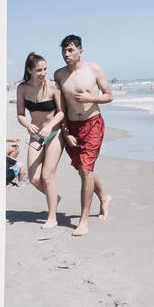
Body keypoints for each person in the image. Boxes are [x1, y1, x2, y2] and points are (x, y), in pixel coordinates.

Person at [54, 34, 113, 236]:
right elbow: (60, 106)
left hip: (93, 123)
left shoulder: (93, 69)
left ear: (80, 51)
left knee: (86, 171)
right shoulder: (59, 75)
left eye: (70, 50)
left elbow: (109, 95)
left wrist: (91, 97)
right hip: (72, 127)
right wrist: (66, 131)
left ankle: (83, 221)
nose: (66, 54)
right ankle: (104, 197)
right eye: (64, 50)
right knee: (82, 169)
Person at [16, 52, 65, 228]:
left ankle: (52, 217)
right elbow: (20, 115)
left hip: (54, 133)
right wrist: (28, 125)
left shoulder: (53, 86)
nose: (43, 73)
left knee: (47, 176)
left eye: (45, 69)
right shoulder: (22, 88)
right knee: (34, 178)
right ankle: (54, 198)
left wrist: (49, 125)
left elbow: (61, 112)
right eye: (39, 70)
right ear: (29, 70)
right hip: (35, 134)